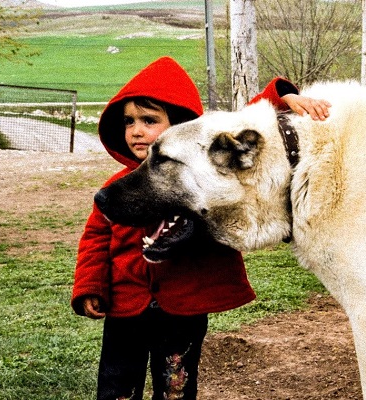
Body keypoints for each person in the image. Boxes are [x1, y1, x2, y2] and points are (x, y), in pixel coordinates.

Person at [72, 56, 330, 400]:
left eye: (149, 120)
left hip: (181, 308)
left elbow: (241, 127)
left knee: (176, 386)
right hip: (125, 306)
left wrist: (280, 98)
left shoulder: (202, 179)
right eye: (128, 121)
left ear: (181, 127)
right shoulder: (119, 189)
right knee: (117, 385)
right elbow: (95, 237)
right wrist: (90, 285)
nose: (135, 130)